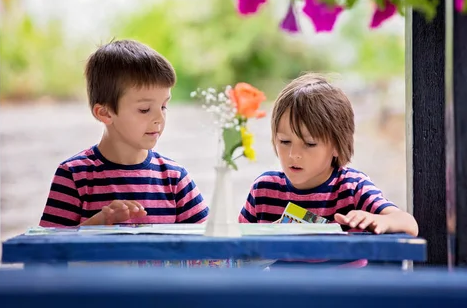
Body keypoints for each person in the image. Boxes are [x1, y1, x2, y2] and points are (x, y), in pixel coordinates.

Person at [39, 39, 209, 227]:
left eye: (164, 106)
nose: (159, 118)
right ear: (105, 113)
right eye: (145, 109)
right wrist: (96, 225)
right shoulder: (73, 176)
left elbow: (209, 247)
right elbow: (48, 252)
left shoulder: (175, 179)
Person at [239, 73, 418, 237]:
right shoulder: (264, 189)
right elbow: (236, 244)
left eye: (309, 144)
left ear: (336, 145)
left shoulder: (351, 187)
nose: (293, 154)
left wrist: (381, 220)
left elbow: (409, 224)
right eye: (284, 142)